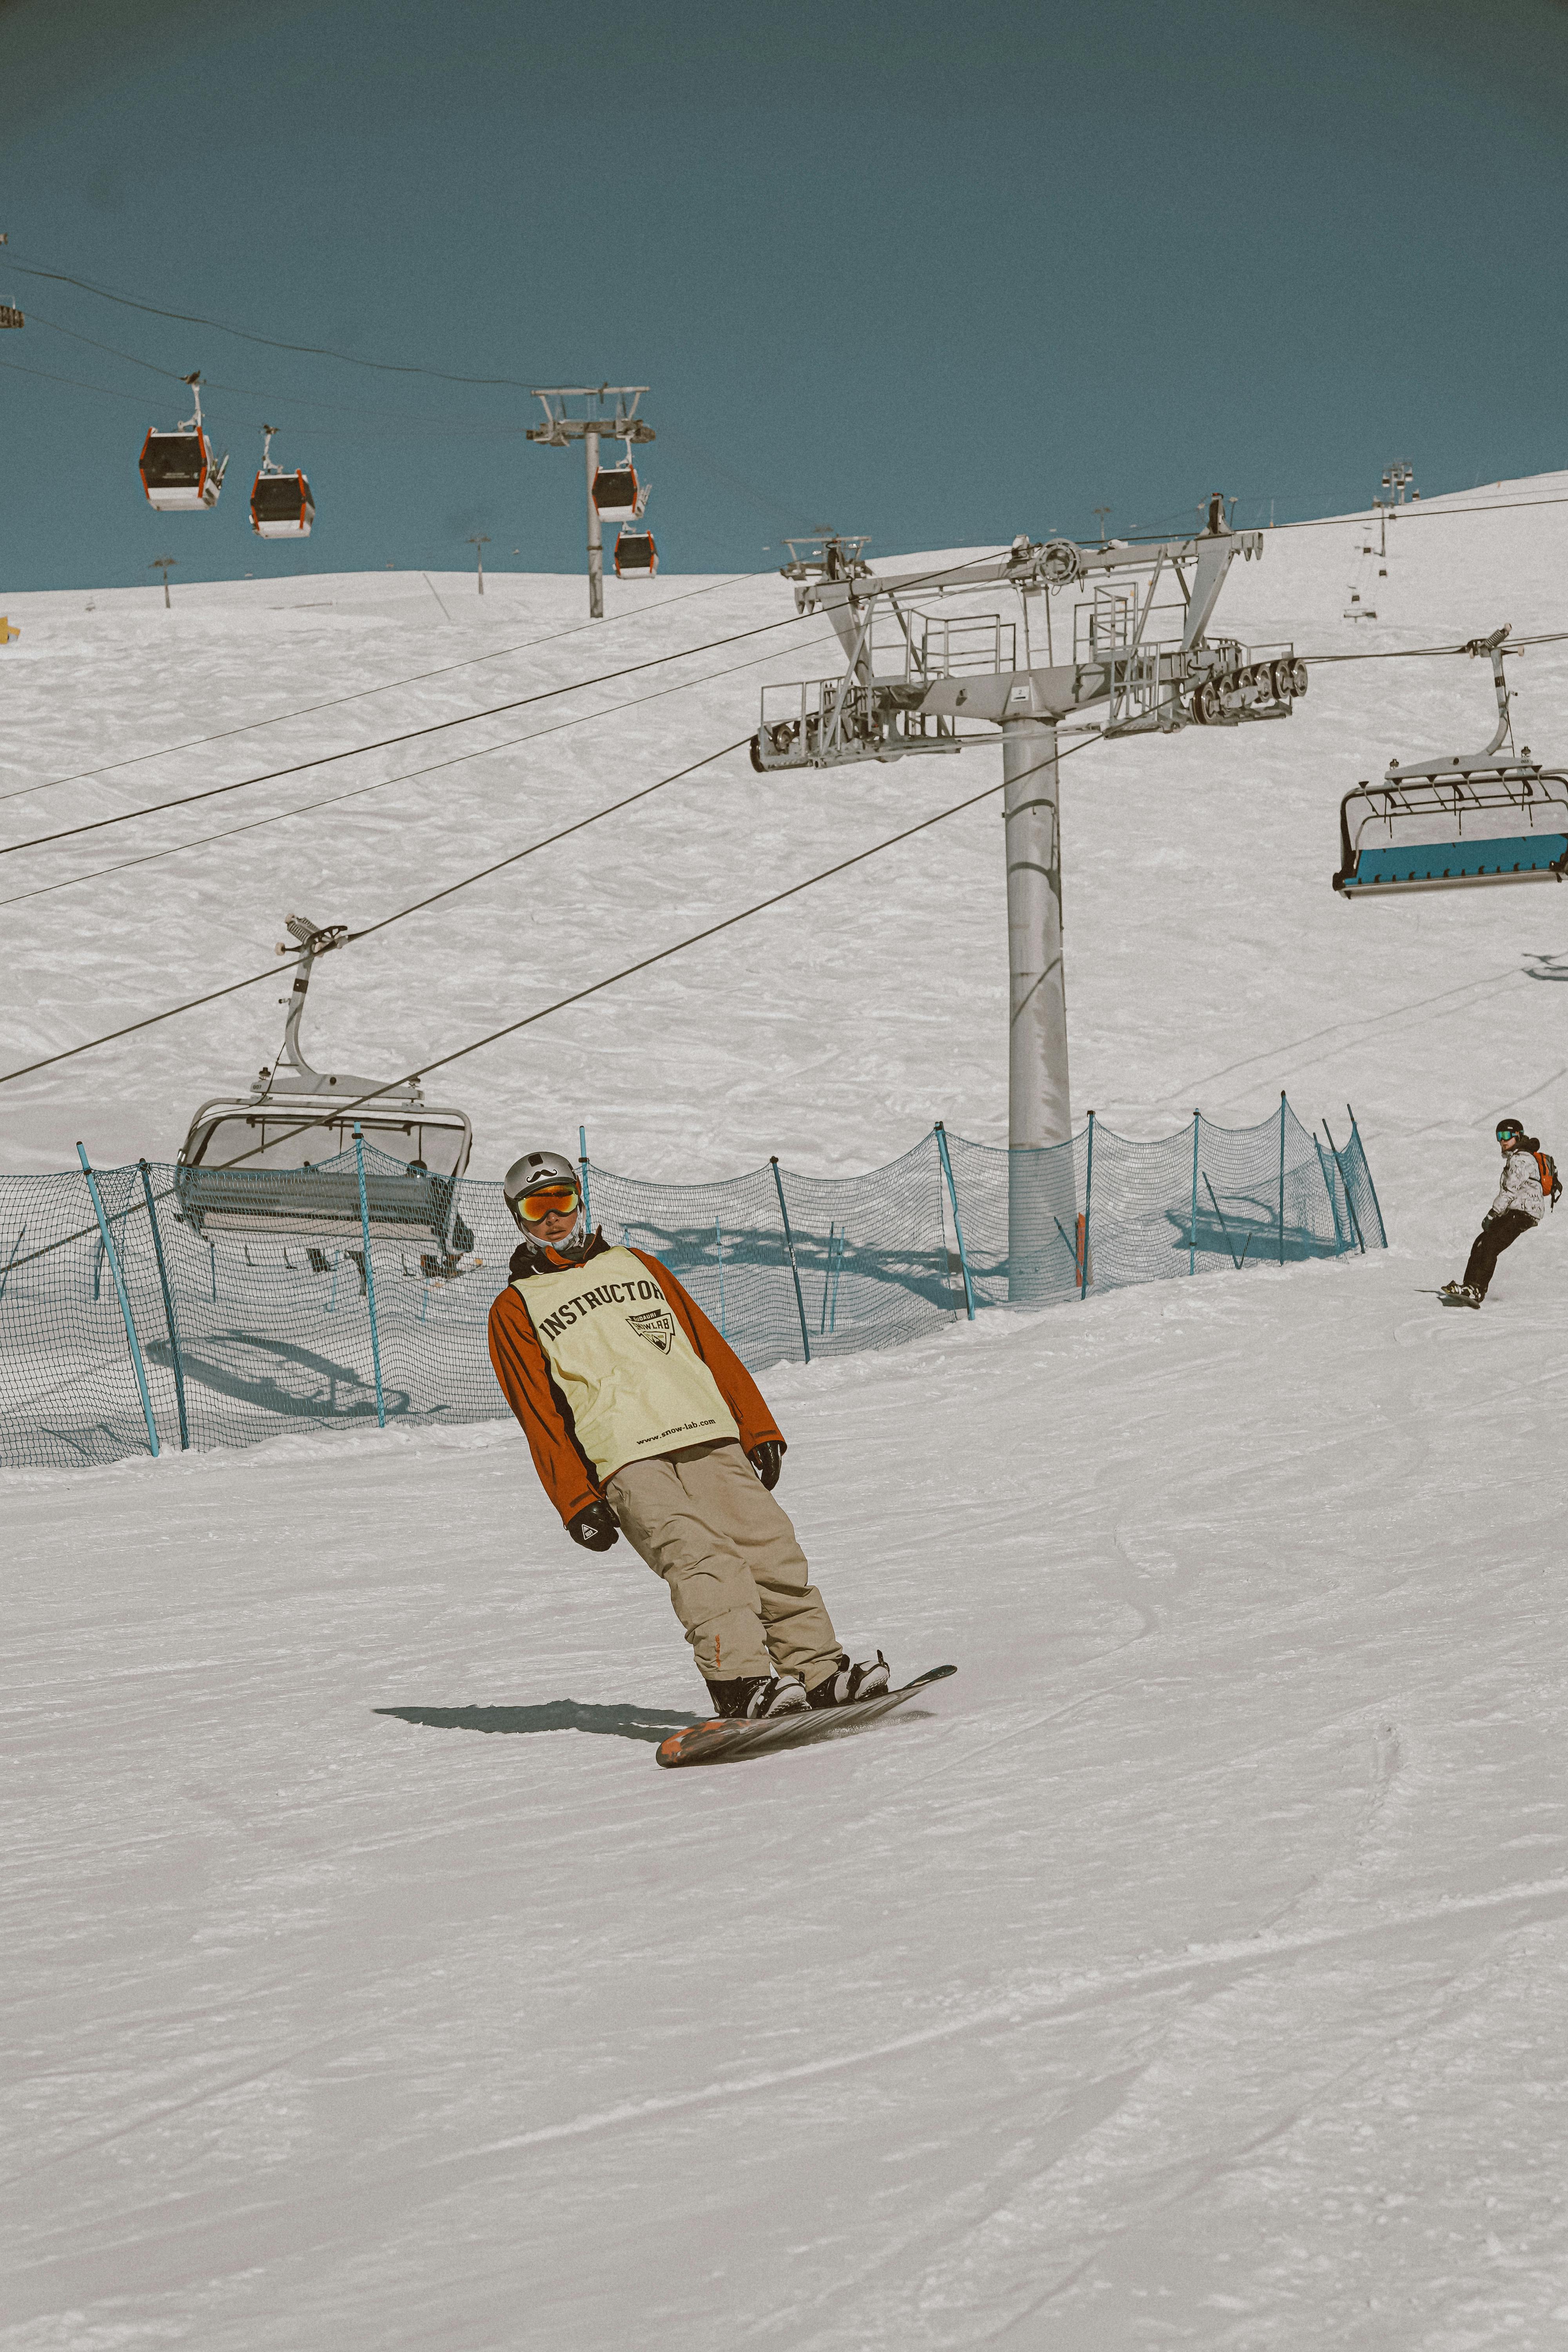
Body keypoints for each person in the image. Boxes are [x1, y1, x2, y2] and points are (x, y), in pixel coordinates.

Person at [486, 1148, 890, 1720]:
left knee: (771, 1551)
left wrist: (756, 1426)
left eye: (562, 1201)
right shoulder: (515, 1306)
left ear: (580, 1201)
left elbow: (707, 1345)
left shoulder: (639, 1264)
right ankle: (741, 1684)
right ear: (517, 1217)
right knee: (702, 1561)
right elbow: (538, 1413)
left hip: (706, 1432)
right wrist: (575, 1498)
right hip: (625, 1457)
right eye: (536, 1207)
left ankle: (819, 1673)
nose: (553, 1217)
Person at [1441, 1118, 1558, 1307]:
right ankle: (1469, 1286)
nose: (1502, 1141)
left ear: (1517, 1136)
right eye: (1499, 1136)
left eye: (1506, 1136)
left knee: (1490, 1244)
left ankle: (1477, 1289)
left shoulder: (1522, 1159)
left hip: (1523, 1212)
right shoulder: (1518, 1157)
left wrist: (1493, 1214)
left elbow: (1510, 1190)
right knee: (1482, 1242)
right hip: (1517, 1211)